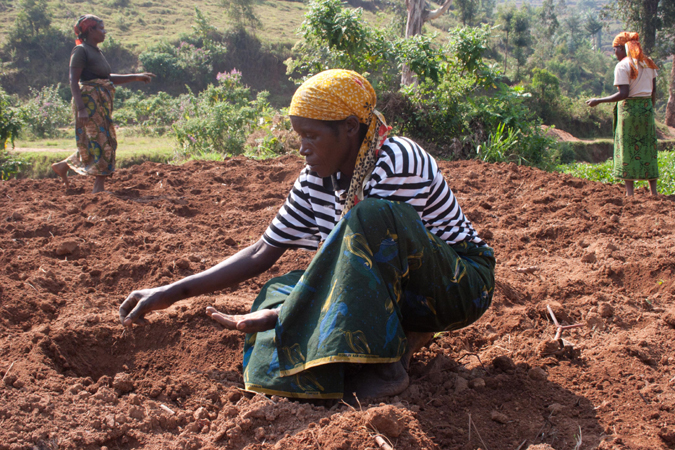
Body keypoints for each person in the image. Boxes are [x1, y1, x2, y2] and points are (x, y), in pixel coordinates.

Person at [119, 69, 495, 400]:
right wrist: (172, 292)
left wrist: (297, 311)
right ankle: (358, 362)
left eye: (312, 135)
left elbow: (379, 254)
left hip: (456, 285)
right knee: (277, 291)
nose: (302, 148)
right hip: (387, 289)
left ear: (349, 127)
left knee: (372, 218)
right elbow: (263, 250)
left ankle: (387, 366)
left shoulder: (397, 160)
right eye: (299, 136)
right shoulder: (315, 176)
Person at [51, 15, 155, 193]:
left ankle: (64, 165)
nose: (104, 31)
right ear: (90, 30)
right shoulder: (81, 51)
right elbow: (73, 81)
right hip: (89, 102)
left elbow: (106, 78)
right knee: (103, 141)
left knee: (102, 140)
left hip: (99, 102)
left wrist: (136, 77)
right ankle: (98, 188)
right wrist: (82, 109)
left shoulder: (96, 52)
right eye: (101, 28)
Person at [586, 32, 659, 196]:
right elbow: (653, 91)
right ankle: (654, 192)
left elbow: (623, 93)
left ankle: (630, 193)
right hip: (646, 109)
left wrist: (599, 100)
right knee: (648, 147)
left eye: (615, 50)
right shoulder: (648, 63)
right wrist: (649, 107)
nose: (614, 54)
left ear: (622, 48)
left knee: (627, 147)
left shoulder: (623, 66)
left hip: (629, 111)